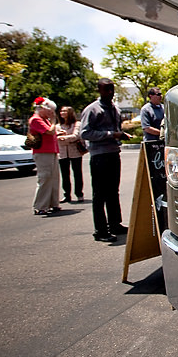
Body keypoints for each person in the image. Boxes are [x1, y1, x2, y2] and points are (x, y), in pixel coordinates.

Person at [81, 78, 132, 243]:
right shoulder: (92, 110)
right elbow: (86, 133)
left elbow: (115, 129)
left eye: (112, 89)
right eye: (106, 90)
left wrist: (121, 135)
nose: (110, 93)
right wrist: (111, 135)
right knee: (100, 194)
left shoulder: (115, 109)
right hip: (99, 155)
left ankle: (115, 223)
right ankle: (101, 230)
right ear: (99, 90)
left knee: (113, 191)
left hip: (113, 153)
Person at [29, 97, 61, 215]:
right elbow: (49, 131)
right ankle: (40, 205)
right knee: (45, 177)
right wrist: (53, 121)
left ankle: (53, 203)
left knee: (54, 177)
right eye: (50, 110)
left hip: (51, 151)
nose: (51, 113)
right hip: (42, 152)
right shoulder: (36, 120)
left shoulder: (44, 120)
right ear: (42, 109)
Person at [56, 106, 85, 203]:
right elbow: (56, 137)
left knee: (77, 173)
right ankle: (66, 195)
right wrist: (63, 137)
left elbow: (76, 136)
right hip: (62, 153)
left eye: (64, 111)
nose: (62, 113)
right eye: (61, 111)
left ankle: (79, 194)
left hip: (75, 152)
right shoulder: (58, 126)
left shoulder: (77, 124)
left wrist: (64, 138)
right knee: (65, 175)